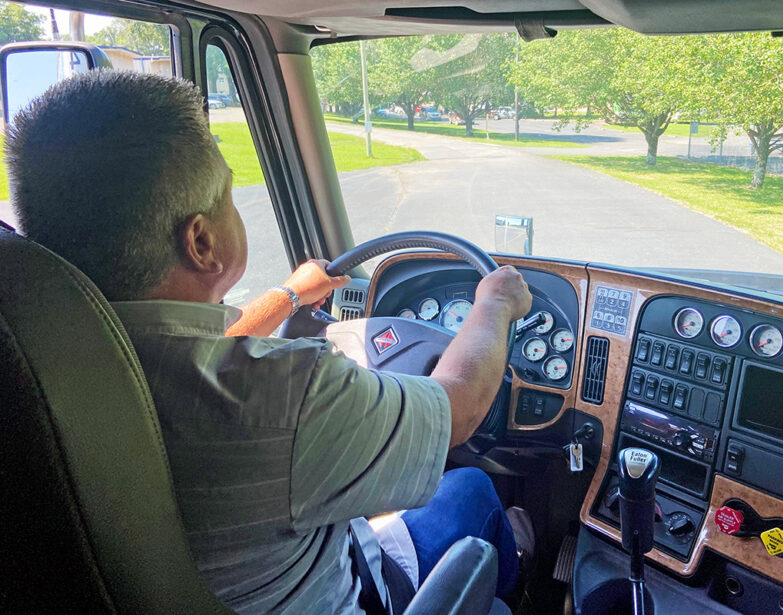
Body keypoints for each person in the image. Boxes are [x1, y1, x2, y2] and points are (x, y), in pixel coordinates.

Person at [5, 70, 533, 614]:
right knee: (472, 490)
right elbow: (461, 409)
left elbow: (181, 351)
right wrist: (494, 303)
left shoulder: (38, 372)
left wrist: (287, 296)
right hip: (350, 591)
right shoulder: (285, 396)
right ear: (203, 242)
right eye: (229, 193)